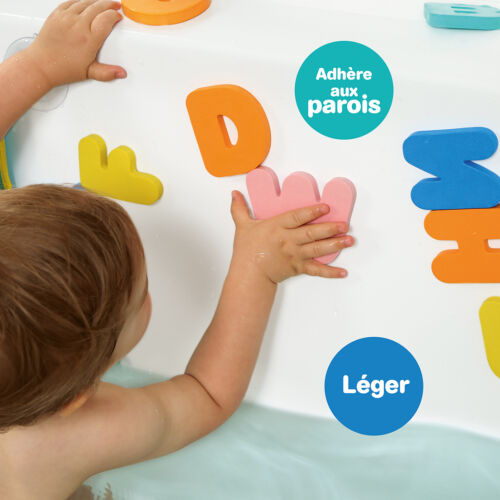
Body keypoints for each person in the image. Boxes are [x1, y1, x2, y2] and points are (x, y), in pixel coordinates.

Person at [0, 1, 355, 498]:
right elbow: (205, 395)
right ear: (75, 399)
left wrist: (40, 65)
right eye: (141, 292)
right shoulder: (66, 442)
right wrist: (256, 268)